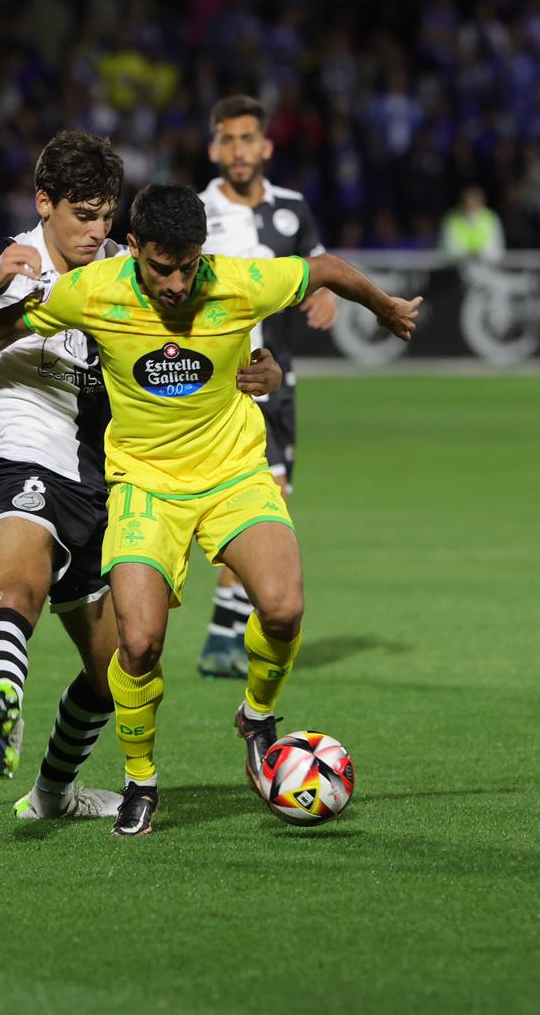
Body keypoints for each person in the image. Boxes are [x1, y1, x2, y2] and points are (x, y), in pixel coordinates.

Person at [0, 183, 420, 837]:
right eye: (163, 266)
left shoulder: (237, 280)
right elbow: (10, 323)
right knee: (136, 643)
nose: (178, 281)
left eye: (189, 265)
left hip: (232, 474)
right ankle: (141, 782)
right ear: (134, 249)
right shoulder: (95, 288)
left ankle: (257, 717)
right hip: (142, 485)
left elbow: (325, 269)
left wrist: (383, 306)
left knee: (284, 607)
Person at [0, 131, 284, 820]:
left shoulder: (130, 273)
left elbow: (217, 341)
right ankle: (0, 695)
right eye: (83, 215)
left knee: (114, 674)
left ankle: (52, 794)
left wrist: (264, 371)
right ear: (45, 204)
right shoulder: (7, 256)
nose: (97, 231)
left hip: (113, 489)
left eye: (107, 216)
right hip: (27, 462)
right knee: (17, 587)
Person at [195, 94, 337, 680]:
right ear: (213, 148)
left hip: (281, 381)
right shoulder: (197, 211)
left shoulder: (293, 209)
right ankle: (223, 637)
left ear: (266, 146)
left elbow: (318, 265)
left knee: (272, 501)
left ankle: (223, 637)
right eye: (227, 139)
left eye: (248, 138)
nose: (238, 150)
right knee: (263, 502)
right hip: (227, 385)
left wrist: (325, 292)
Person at [441, 185, 506, 261]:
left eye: (474, 201)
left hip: (486, 266)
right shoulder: (451, 219)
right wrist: (468, 254)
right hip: (457, 267)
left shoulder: (491, 218)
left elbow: (496, 249)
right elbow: (449, 249)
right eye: (466, 201)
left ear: (481, 202)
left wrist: (478, 254)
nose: (469, 204)